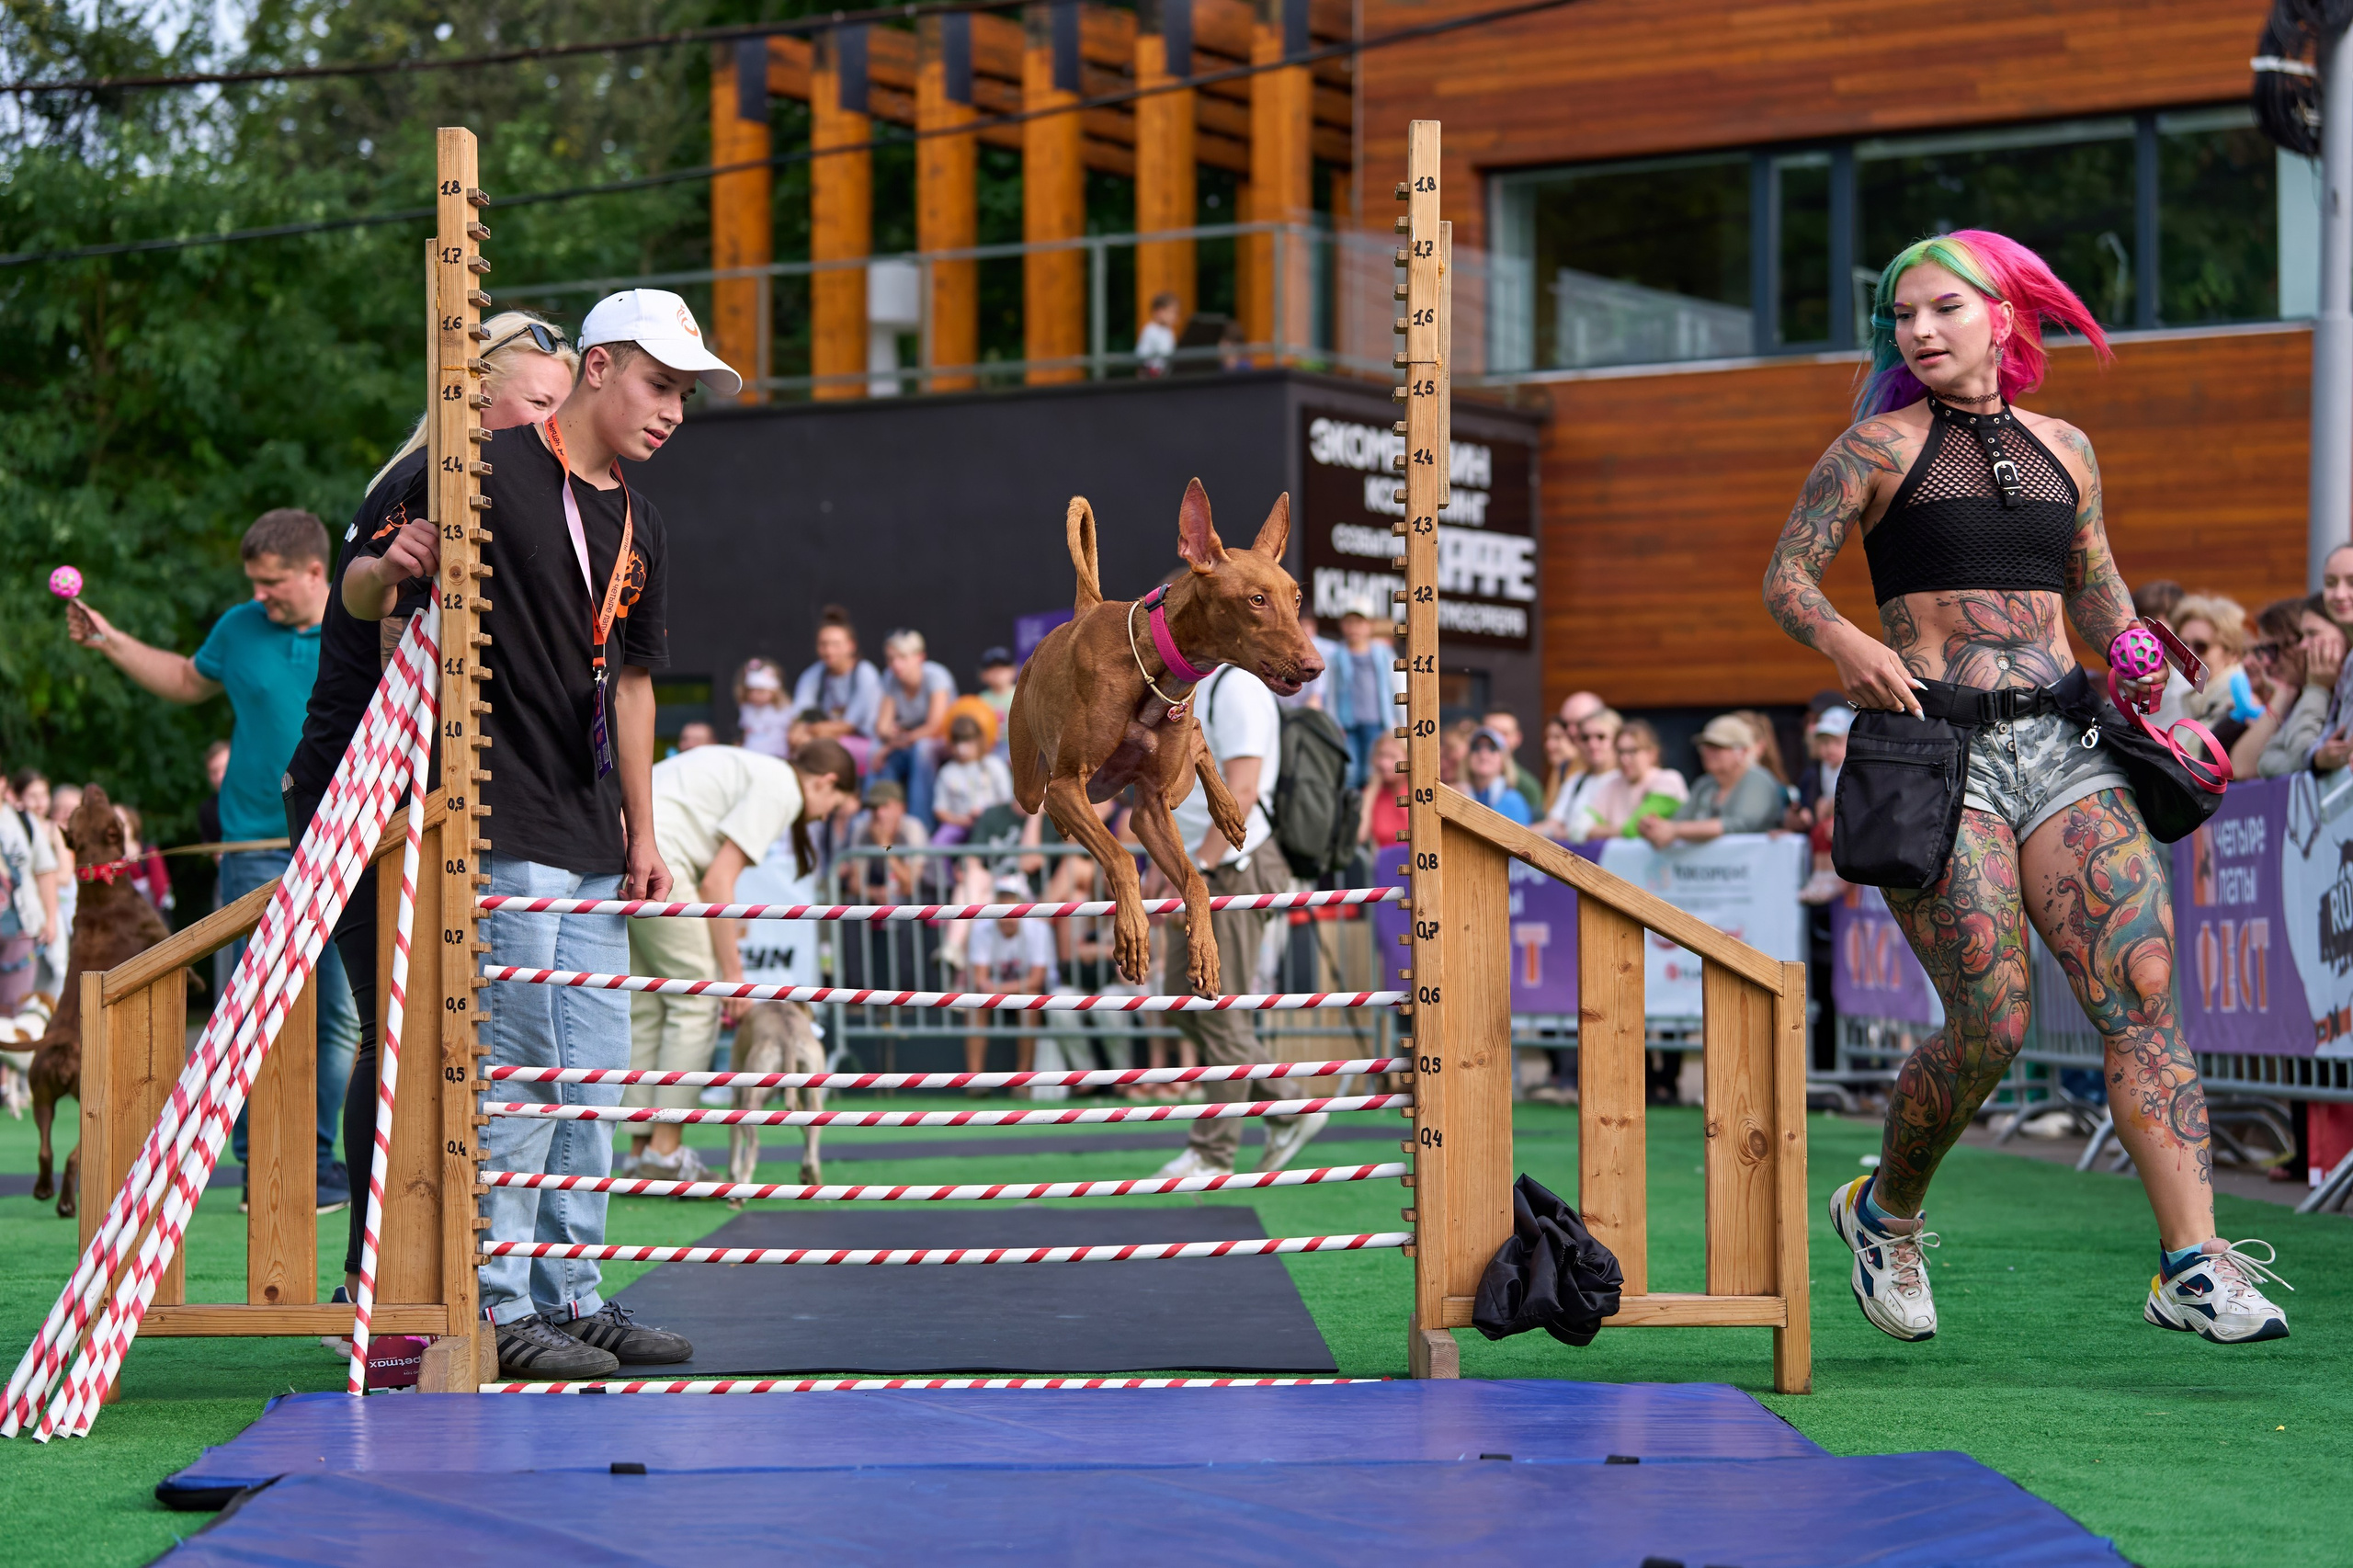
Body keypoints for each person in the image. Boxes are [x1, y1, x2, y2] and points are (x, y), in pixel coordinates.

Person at [1761, 228, 2287, 1345]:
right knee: (1991, 1022)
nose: (1919, 330)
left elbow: (2095, 585)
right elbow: (1786, 576)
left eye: (1943, 307)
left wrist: (2135, 649)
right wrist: (1847, 642)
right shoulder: (1874, 446)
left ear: (2002, 316)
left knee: (2143, 986)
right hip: (1934, 753)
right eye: (1903, 315)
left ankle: (2192, 1263)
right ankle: (1884, 1212)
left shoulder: (2067, 446)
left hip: (2064, 743)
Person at [345, 288, 738, 1377]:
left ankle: (573, 1294)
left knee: (596, 1077)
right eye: (660, 385)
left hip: (593, 830)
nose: (672, 411)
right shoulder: (475, 465)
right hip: (496, 814)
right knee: (524, 1069)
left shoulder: (644, 520)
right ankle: (501, 1301)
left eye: (685, 395)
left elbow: (635, 685)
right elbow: (360, 591)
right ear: (597, 367)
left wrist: (644, 833)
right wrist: (391, 563)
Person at [288, 311, 580, 1304]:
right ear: (474, 394)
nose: (551, 423)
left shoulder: (507, 483)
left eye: (561, 407)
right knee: (396, 1034)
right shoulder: (430, 477)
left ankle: (448, 1273)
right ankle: (367, 1282)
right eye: (538, 402)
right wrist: (386, 567)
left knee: (437, 1038)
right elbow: (367, 593)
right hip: (362, 789)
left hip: (422, 792)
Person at [68, 506, 359, 1212]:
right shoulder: (239, 627)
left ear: (314, 571)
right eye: (254, 582)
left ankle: (316, 1162)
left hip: (344, 841)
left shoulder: (361, 620)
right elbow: (183, 679)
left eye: (273, 582)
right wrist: (109, 640)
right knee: (249, 1009)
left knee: (338, 1016)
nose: (260, 594)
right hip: (252, 847)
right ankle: (261, 1165)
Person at [620, 740, 854, 1182]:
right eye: (834, 807)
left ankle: (640, 1153)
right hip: (661, 857)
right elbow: (718, 883)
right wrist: (733, 977)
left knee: (650, 1004)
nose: (825, 817)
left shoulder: (759, 769)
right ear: (826, 782)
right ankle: (664, 1154)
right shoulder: (783, 787)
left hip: (627, 849)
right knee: (696, 1002)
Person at [1154, 664, 1324, 1179]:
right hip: (1204, 864)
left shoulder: (1237, 688)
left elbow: (1242, 793)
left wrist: (1197, 870)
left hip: (1234, 865)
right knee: (1183, 1002)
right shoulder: (1190, 686)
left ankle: (1212, 1154)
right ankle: (1290, 1105)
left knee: (1217, 1011)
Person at [961, 873, 1060, 1085]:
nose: (1006, 910)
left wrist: (997, 988)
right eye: (1002, 900)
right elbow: (980, 981)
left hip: (1031, 994)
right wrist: (996, 989)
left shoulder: (1039, 930)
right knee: (976, 1003)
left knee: (1030, 1001)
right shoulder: (981, 929)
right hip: (1001, 992)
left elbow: (1036, 981)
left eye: (1011, 901)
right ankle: (975, 1082)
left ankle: (1022, 1082)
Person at [1638, 715, 1782, 846]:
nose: (1708, 753)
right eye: (1705, 746)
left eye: (1718, 747)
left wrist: (1675, 830)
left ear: (1742, 751)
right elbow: (1679, 820)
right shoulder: (1705, 784)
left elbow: (1740, 824)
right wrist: (1656, 827)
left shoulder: (1757, 779)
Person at [872, 629, 955, 827]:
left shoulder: (936, 676)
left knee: (922, 750)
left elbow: (935, 727)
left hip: (941, 742)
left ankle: (920, 826)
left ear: (920, 657)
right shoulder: (890, 678)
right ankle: (878, 820)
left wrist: (891, 745)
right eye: (891, 659)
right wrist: (890, 740)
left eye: (902, 657)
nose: (895, 665)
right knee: (874, 752)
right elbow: (882, 727)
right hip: (907, 742)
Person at [2254, 594, 2343, 777]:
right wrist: (2315, 760)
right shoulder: (2309, 691)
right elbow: (2265, 761)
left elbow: (2301, 751)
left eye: (2312, 634)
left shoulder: (2325, 688)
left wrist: (2317, 689)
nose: (2303, 646)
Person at [793, 607, 883, 770]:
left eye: (835, 644)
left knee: (817, 749)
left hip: (866, 745)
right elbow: (800, 716)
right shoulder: (814, 674)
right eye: (823, 644)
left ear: (851, 646)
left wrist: (811, 730)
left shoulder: (865, 673)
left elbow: (848, 726)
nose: (829, 651)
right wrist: (798, 733)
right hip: (822, 738)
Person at [1324, 598, 1398, 788]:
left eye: (1359, 622)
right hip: (1347, 726)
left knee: (1372, 771)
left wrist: (1396, 722)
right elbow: (1330, 692)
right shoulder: (1337, 656)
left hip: (1377, 724)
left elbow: (1395, 687)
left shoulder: (1383, 654)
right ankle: (1352, 805)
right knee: (1350, 771)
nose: (1354, 628)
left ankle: (1369, 806)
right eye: (1349, 622)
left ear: (1371, 625)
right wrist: (1334, 722)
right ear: (1342, 625)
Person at [1540, 708, 1621, 842]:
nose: (1592, 744)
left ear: (1618, 740)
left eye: (1601, 737)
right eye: (1585, 738)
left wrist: (1575, 832)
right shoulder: (1575, 781)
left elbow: (1628, 831)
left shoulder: (1627, 781)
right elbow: (1552, 824)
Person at [933, 714, 1014, 846]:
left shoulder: (995, 765)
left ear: (979, 740)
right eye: (958, 742)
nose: (962, 748)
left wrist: (986, 814)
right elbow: (939, 810)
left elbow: (1007, 801)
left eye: (968, 741)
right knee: (939, 842)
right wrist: (961, 820)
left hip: (992, 824)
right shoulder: (946, 772)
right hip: (959, 825)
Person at [1461, 726, 1533, 825]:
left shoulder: (1512, 801)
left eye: (1492, 748)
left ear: (1503, 759)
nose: (1483, 754)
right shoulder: (1460, 794)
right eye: (1476, 747)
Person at [1482, 710, 1545, 818]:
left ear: (1518, 738)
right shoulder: (1462, 779)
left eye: (1504, 733)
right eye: (1490, 733)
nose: (1497, 739)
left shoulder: (1527, 787)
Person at [733, 657, 793, 757]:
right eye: (751, 691)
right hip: (751, 753)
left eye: (760, 691)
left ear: (774, 692)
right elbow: (746, 732)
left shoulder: (784, 709)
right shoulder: (746, 709)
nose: (755, 695)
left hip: (776, 754)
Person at [1135, 290, 1182, 377]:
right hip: (1151, 376)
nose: (1175, 316)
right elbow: (1142, 357)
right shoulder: (1150, 330)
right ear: (1160, 312)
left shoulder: (1169, 331)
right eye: (1172, 312)